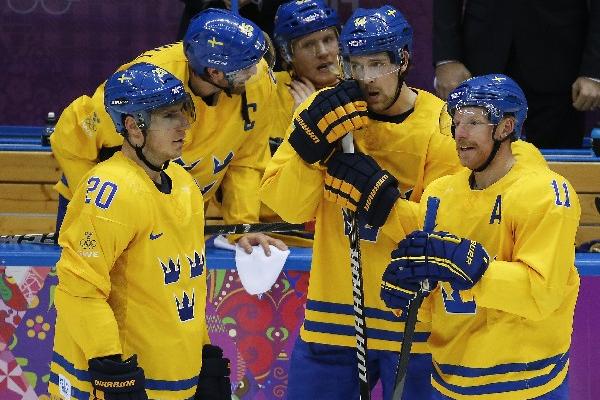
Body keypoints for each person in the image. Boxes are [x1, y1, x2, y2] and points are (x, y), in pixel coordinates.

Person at [260, 6, 464, 399]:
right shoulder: (320, 112)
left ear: (403, 60)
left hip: (414, 321)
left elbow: (448, 229)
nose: (365, 79)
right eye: (354, 66)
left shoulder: (442, 125)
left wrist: (382, 202)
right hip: (333, 315)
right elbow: (288, 208)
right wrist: (308, 148)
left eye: (376, 65)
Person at [369, 74, 579, 399]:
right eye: (455, 122)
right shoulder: (440, 193)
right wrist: (413, 297)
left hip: (526, 383)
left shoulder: (546, 193)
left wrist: (478, 270)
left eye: (473, 122)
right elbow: (439, 293)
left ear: (505, 127)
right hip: (450, 379)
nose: (459, 134)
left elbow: (542, 293)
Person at [48, 63, 239, 400]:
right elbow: (79, 289)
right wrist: (111, 370)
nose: (183, 126)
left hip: (176, 376)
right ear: (135, 128)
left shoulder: (183, 184)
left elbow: (187, 281)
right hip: (124, 378)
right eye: (168, 117)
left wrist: (203, 354)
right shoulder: (110, 190)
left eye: (183, 113)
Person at [50, 8, 284, 253]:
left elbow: (246, 161)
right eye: (245, 68)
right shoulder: (144, 84)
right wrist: (96, 207)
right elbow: (71, 135)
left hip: (179, 210)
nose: (257, 73)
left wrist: (243, 228)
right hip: (112, 206)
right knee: (91, 284)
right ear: (214, 72)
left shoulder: (259, 82)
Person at [433, 0, 600, 149]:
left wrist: (594, 71)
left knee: (557, 173)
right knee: (471, 164)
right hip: (481, 59)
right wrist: (447, 59)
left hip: (561, 63)